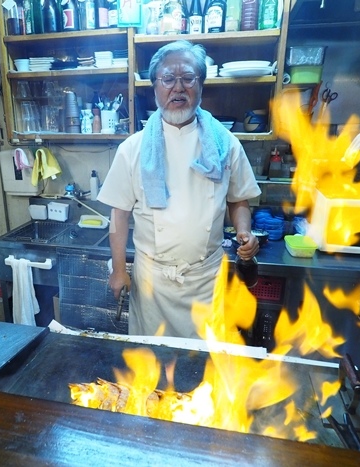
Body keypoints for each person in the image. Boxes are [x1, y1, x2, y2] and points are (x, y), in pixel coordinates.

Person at [97, 40, 261, 339]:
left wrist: (245, 232)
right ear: (155, 86)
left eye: (188, 78)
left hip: (206, 280)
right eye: (168, 79)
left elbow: (238, 200)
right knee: (150, 367)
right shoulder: (133, 149)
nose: (178, 88)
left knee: (203, 371)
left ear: (201, 85)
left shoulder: (225, 144)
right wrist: (119, 270)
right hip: (152, 284)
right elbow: (118, 215)